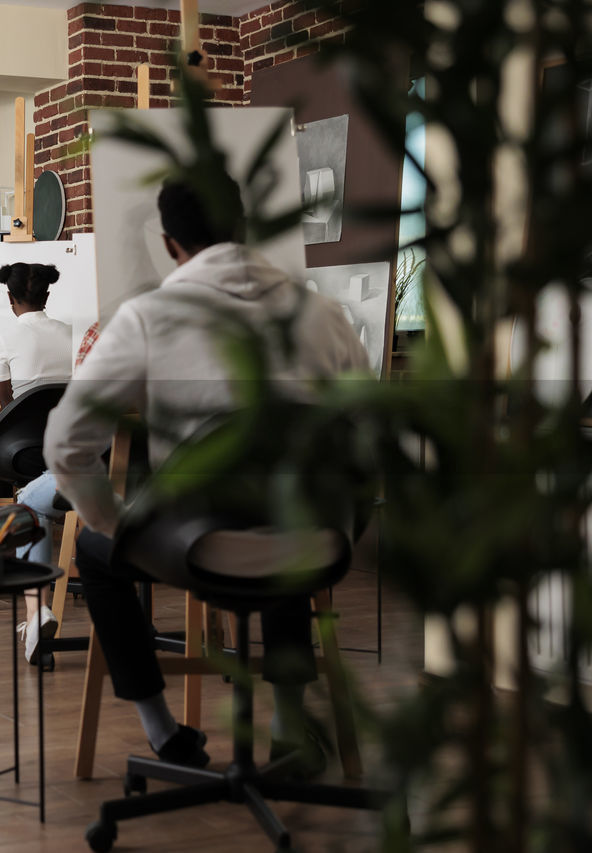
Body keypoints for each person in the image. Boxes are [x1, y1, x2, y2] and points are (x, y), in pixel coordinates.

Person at [44, 173, 370, 774]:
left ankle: (163, 732)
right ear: (244, 229)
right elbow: (366, 440)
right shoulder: (324, 315)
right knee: (287, 515)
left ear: (170, 244)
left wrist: (116, 525)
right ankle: (289, 725)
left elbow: (65, 445)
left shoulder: (150, 317)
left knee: (93, 552)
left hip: (195, 549)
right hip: (314, 545)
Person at [0, 262, 72, 664]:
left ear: (10, 297)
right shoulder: (72, 337)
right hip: (69, 450)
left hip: (25, 453)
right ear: (47, 297)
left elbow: (10, 411)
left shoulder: (3, 336)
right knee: (30, 492)